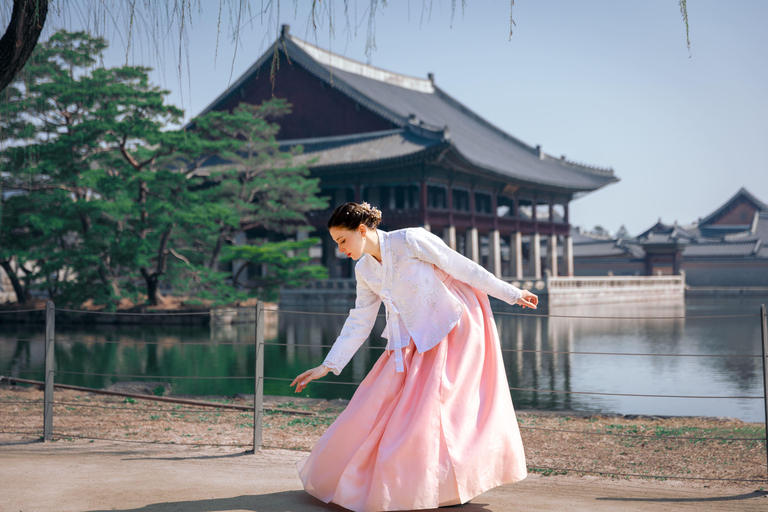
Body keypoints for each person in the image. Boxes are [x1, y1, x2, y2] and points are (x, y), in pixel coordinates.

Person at [291, 201, 538, 512]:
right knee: (390, 408)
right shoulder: (364, 269)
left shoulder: (409, 240)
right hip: (410, 340)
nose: (341, 249)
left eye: (343, 240)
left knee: (447, 410)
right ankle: (425, 484)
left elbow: (460, 266)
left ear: (363, 231)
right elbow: (360, 320)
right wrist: (327, 366)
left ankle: (453, 483)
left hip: (455, 326)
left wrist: (513, 293)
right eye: (337, 243)